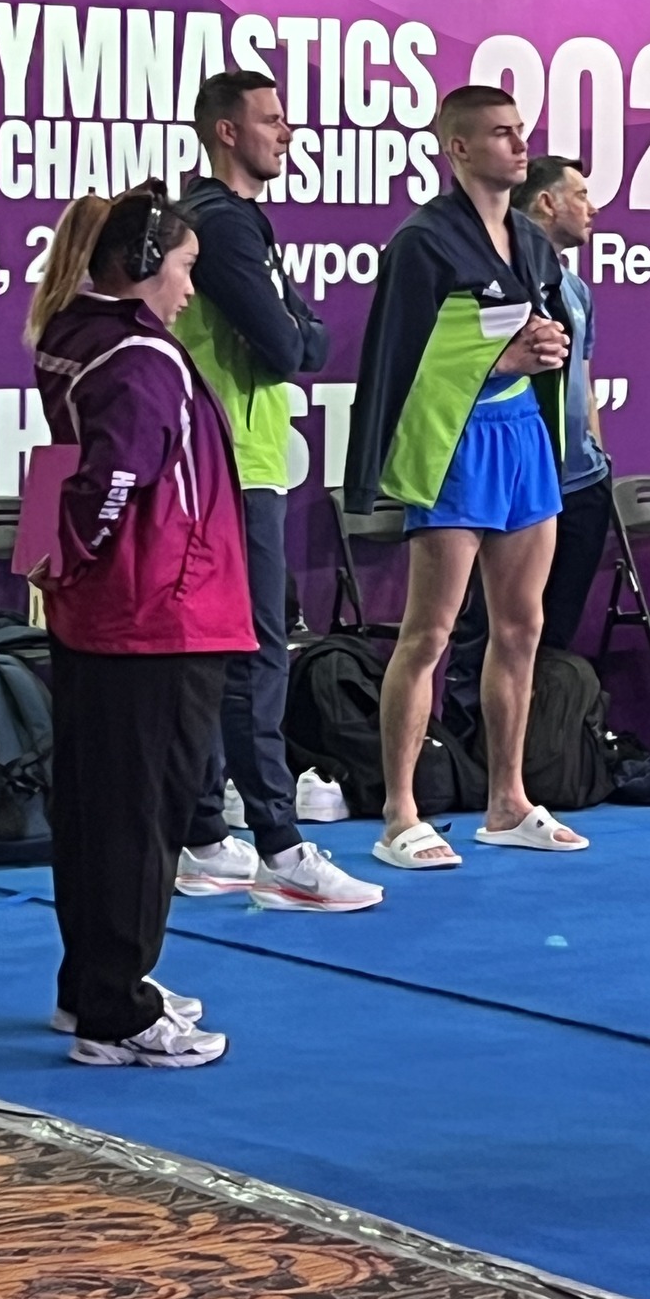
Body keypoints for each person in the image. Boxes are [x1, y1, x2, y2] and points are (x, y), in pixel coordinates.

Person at [25, 187, 254, 1066]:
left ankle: (90, 985)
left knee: (94, 808)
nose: (191, 289)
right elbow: (109, 482)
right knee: (140, 817)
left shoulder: (71, 332)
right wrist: (77, 557)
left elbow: (62, 470)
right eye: (186, 268)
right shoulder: (140, 357)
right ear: (143, 264)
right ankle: (116, 1012)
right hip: (159, 613)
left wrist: (56, 566)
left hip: (110, 612)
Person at [343, 84, 589, 868]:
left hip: (524, 439)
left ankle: (507, 800)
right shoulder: (423, 242)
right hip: (456, 440)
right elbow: (399, 359)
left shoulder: (532, 240)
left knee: (522, 628)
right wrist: (502, 358)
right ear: (458, 148)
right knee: (431, 633)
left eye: (521, 131)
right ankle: (399, 813)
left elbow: (535, 330)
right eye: (501, 134)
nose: (520, 146)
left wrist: (545, 353)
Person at [170, 69, 380, 912]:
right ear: (228, 131)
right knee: (255, 649)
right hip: (235, 462)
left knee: (221, 652)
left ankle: (203, 837)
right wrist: (295, 325)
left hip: (227, 459)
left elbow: (310, 338)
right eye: (271, 119)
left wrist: (296, 325)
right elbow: (292, 346)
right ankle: (280, 848)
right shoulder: (222, 224)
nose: (286, 132)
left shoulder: (226, 220)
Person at [442, 154, 611, 740]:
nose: (592, 208)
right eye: (580, 194)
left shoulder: (577, 289)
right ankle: (471, 751)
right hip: (511, 478)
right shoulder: (493, 282)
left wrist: (595, 455)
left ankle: (541, 752)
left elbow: (582, 378)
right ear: (546, 202)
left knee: (550, 634)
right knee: (491, 629)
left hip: (580, 484)